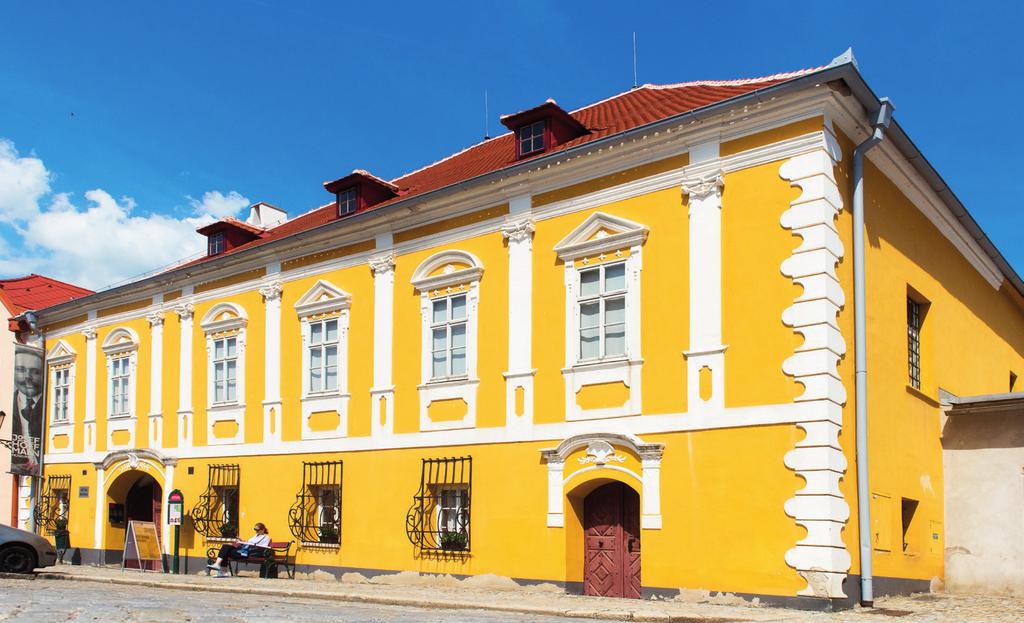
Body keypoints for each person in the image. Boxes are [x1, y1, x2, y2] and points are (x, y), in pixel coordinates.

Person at [11, 347, 44, 475]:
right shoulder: (12, 403)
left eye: (35, 371)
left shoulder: (46, 403)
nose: (27, 377)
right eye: (21, 370)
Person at [206, 523, 271, 576]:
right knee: (226, 547)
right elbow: (248, 542)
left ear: (263, 530)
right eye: (255, 529)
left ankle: (222, 570)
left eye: (257, 530)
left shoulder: (266, 538)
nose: (256, 531)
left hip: (248, 553)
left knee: (226, 550)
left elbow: (264, 547)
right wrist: (242, 541)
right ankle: (221, 569)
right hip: (243, 550)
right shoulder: (256, 536)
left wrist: (252, 544)